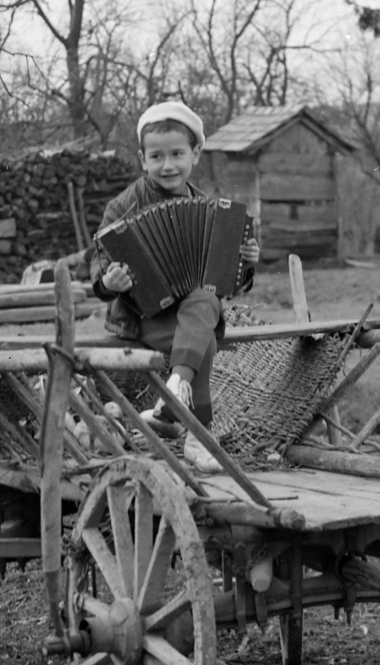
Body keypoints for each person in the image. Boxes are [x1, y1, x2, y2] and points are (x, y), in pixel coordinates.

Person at [92, 100, 260, 472]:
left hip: (192, 314)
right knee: (206, 339)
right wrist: (109, 282)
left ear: (195, 153)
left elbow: (228, 282)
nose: (167, 165)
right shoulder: (122, 206)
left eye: (177, 154)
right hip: (142, 317)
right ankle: (196, 430)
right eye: (156, 156)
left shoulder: (210, 208)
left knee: (205, 297)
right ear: (142, 158)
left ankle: (176, 398)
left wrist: (246, 263)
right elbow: (100, 264)